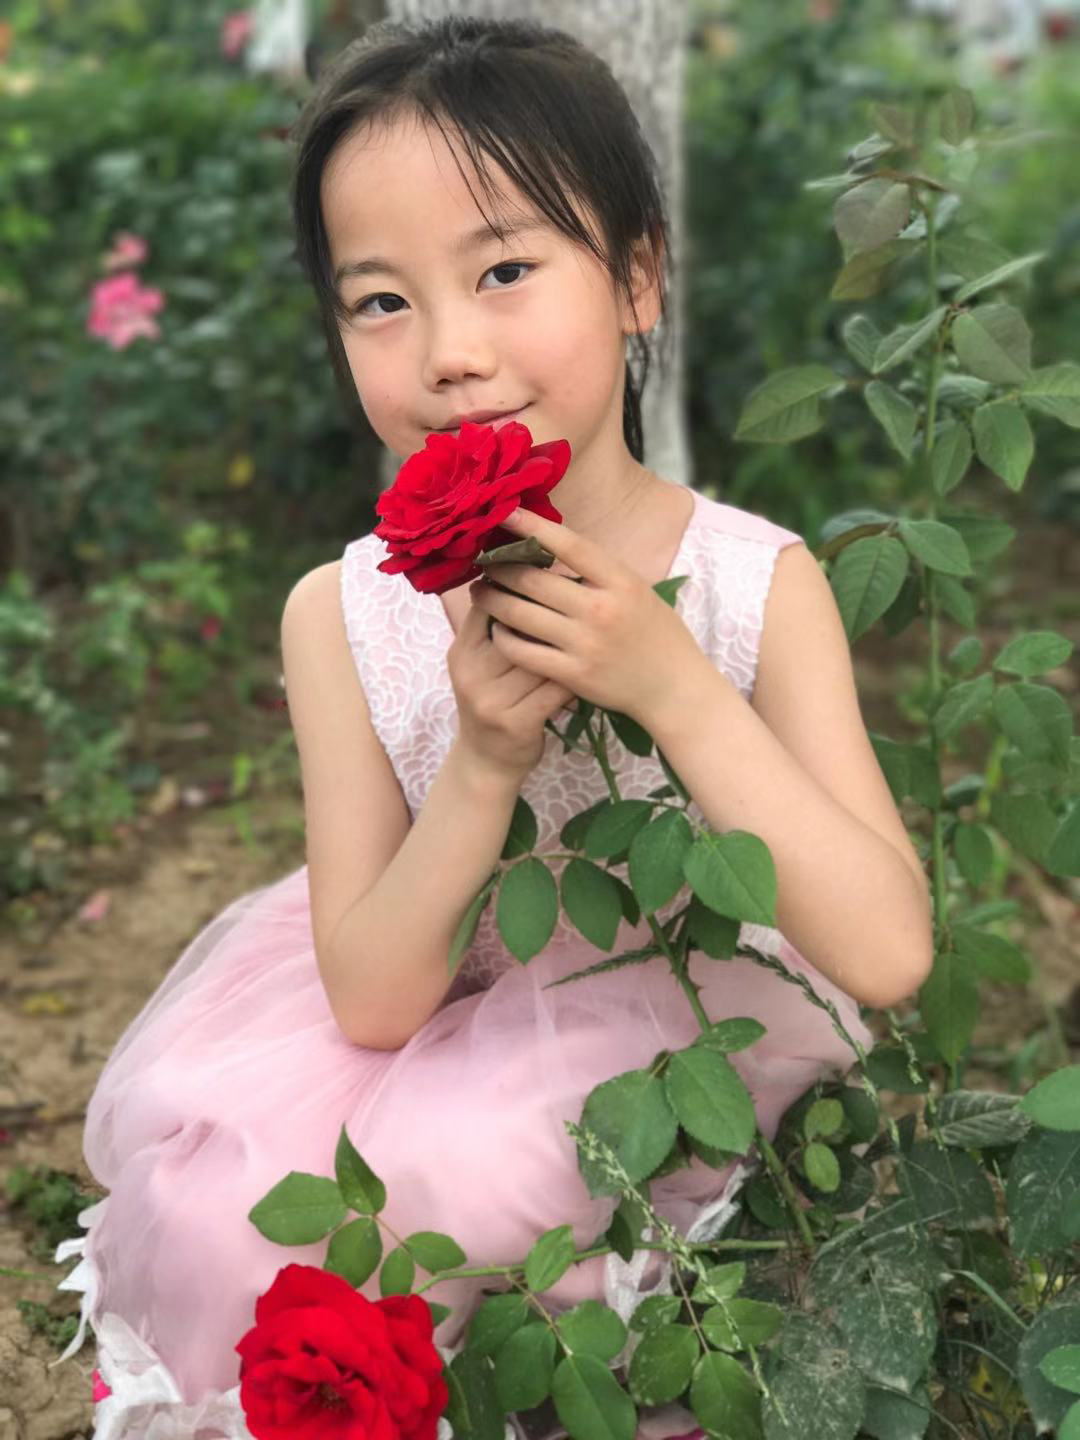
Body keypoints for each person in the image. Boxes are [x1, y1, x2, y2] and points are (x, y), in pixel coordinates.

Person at [50, 15, 934, 1439]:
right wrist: (482, 760)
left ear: (637, 277)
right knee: (249, 1220)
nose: (452, 354)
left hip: (693, 1036)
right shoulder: (340, 616)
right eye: (379, 301)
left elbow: (887, 953)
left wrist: (673, 684)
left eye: (506, 271)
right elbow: (374, 1003)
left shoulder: (756, 585)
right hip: (435, 1030)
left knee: (497, 1171)